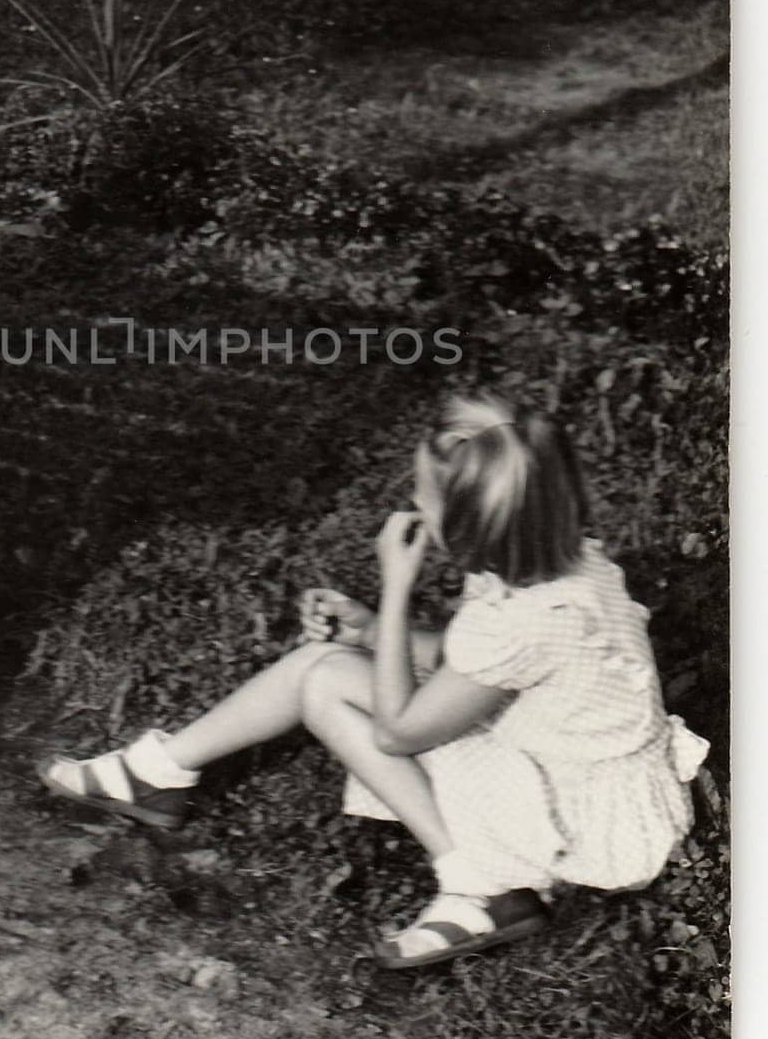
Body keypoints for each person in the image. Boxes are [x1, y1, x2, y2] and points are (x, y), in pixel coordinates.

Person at [40, 395, 708, 969]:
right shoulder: (565, 568)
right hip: (600, 775)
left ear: (464, 520)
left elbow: (397, 730)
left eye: (420, 497)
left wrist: (393, 591)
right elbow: (467, 662)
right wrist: (366, 632)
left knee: (325, 683)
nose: (410, 506)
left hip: (579, 816)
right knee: (324, 667)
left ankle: (481, 887)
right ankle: (158, 771)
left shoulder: (522, 620)